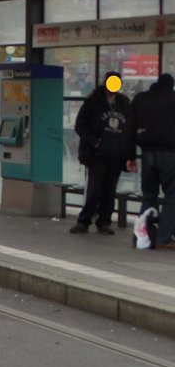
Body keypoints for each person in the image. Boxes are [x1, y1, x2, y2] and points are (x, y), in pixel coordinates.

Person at [72, 71, 135, 235]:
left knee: (109, 190)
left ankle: (104, 221)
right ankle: (84, 220)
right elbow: (80, 126)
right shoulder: (93, 102)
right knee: (94, 189)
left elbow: (130, 128)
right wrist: (95, 142)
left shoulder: (124, 103)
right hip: (96, 154)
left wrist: (129, 154)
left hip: (116, 154)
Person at [132, 72, 175, 250]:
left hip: (147, 152)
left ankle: (141, 237)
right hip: (170, 153)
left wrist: (129, 155)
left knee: (149, 195)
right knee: (171, 196)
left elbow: (130, 127)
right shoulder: (173, 99)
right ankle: (163, 238)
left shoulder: (141, 99)